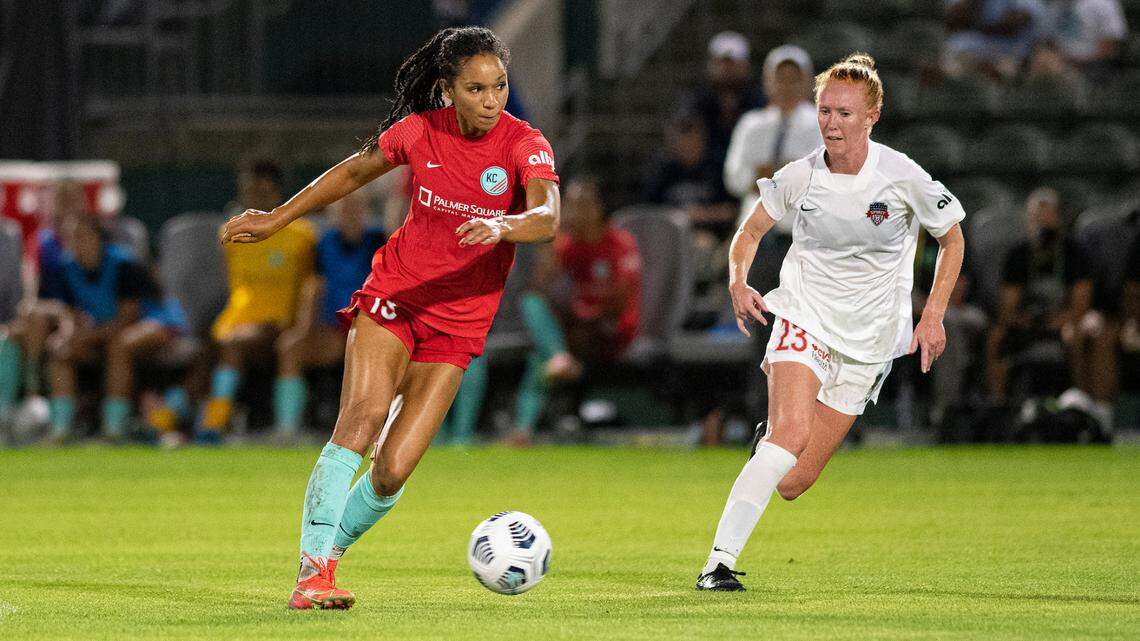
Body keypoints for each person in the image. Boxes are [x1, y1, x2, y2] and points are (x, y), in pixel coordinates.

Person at [218, 26, 560, 609]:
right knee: (363, 417)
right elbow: (351, 173)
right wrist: (277, 218)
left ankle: (327, 556)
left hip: (459, 322)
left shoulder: (523, 143)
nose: (491, 100)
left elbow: (547, 214)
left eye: (499, 86)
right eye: (476, 88)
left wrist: (504, 225)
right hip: (394, 298)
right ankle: (313, 572)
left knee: (392, 472)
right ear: (448, 91)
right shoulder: (418, 132)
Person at [695, 53, 966, 590]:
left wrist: (933, 314)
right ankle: (717, 564)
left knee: (793, 480)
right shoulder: (801, 176)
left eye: (844, 113)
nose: (831, 123)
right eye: (825, 111)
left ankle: (766, 444)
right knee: (790, 434)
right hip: (805, 314)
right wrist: (737, 280)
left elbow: (952, 238)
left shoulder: (901, 175)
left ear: (872, 116)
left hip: (869, 341)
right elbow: (747, 234)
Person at [195, 161, 317, 443]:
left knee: (232, 345)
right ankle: (176, 421)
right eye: (250, 191)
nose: (256, 198)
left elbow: (311, 285)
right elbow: (232, 286)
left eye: (264, 191)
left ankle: (215, 424)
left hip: (278, 320)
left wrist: (300, 324)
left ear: (278, 194)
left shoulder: (302, 235)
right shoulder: (230, 233)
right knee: (203, 353)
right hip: (235, 320)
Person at [44, 213, 187, 441]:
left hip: (155, 324)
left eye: (82, 237)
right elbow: (70, 315)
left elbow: (127, 319)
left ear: (99, 239)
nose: (76, 244)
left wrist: (86, 338)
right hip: (104, 334)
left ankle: (114, 428)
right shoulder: (66, 267)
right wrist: (66, 338)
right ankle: (60, 429)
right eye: (71, 238)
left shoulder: (123, 264)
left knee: (119, 347)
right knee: (61, 350)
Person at [271, 189, 385, 439]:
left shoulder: (378, 241)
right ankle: (287, 429)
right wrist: (304, 328)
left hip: (371, 326)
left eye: (355, 208)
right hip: (333, 328)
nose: (349, 214)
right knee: (290, 347)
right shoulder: (323, 243)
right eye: (343, 208)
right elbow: (314, 288)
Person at [984, 188, 1092, 404]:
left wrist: (1058, 320)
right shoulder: (1018, 255)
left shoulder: (1074, 253)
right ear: (1027, 220)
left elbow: (1081, 304)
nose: (1042, 223)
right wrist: (1028, 321)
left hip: (1064, 323)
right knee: (996, 338)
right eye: (1036, 217)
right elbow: (1007, 308)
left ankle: (1083, 404)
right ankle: (998, 406)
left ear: (1058, 219)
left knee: (1077, 335)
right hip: (1028, 324)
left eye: (1047, 216)